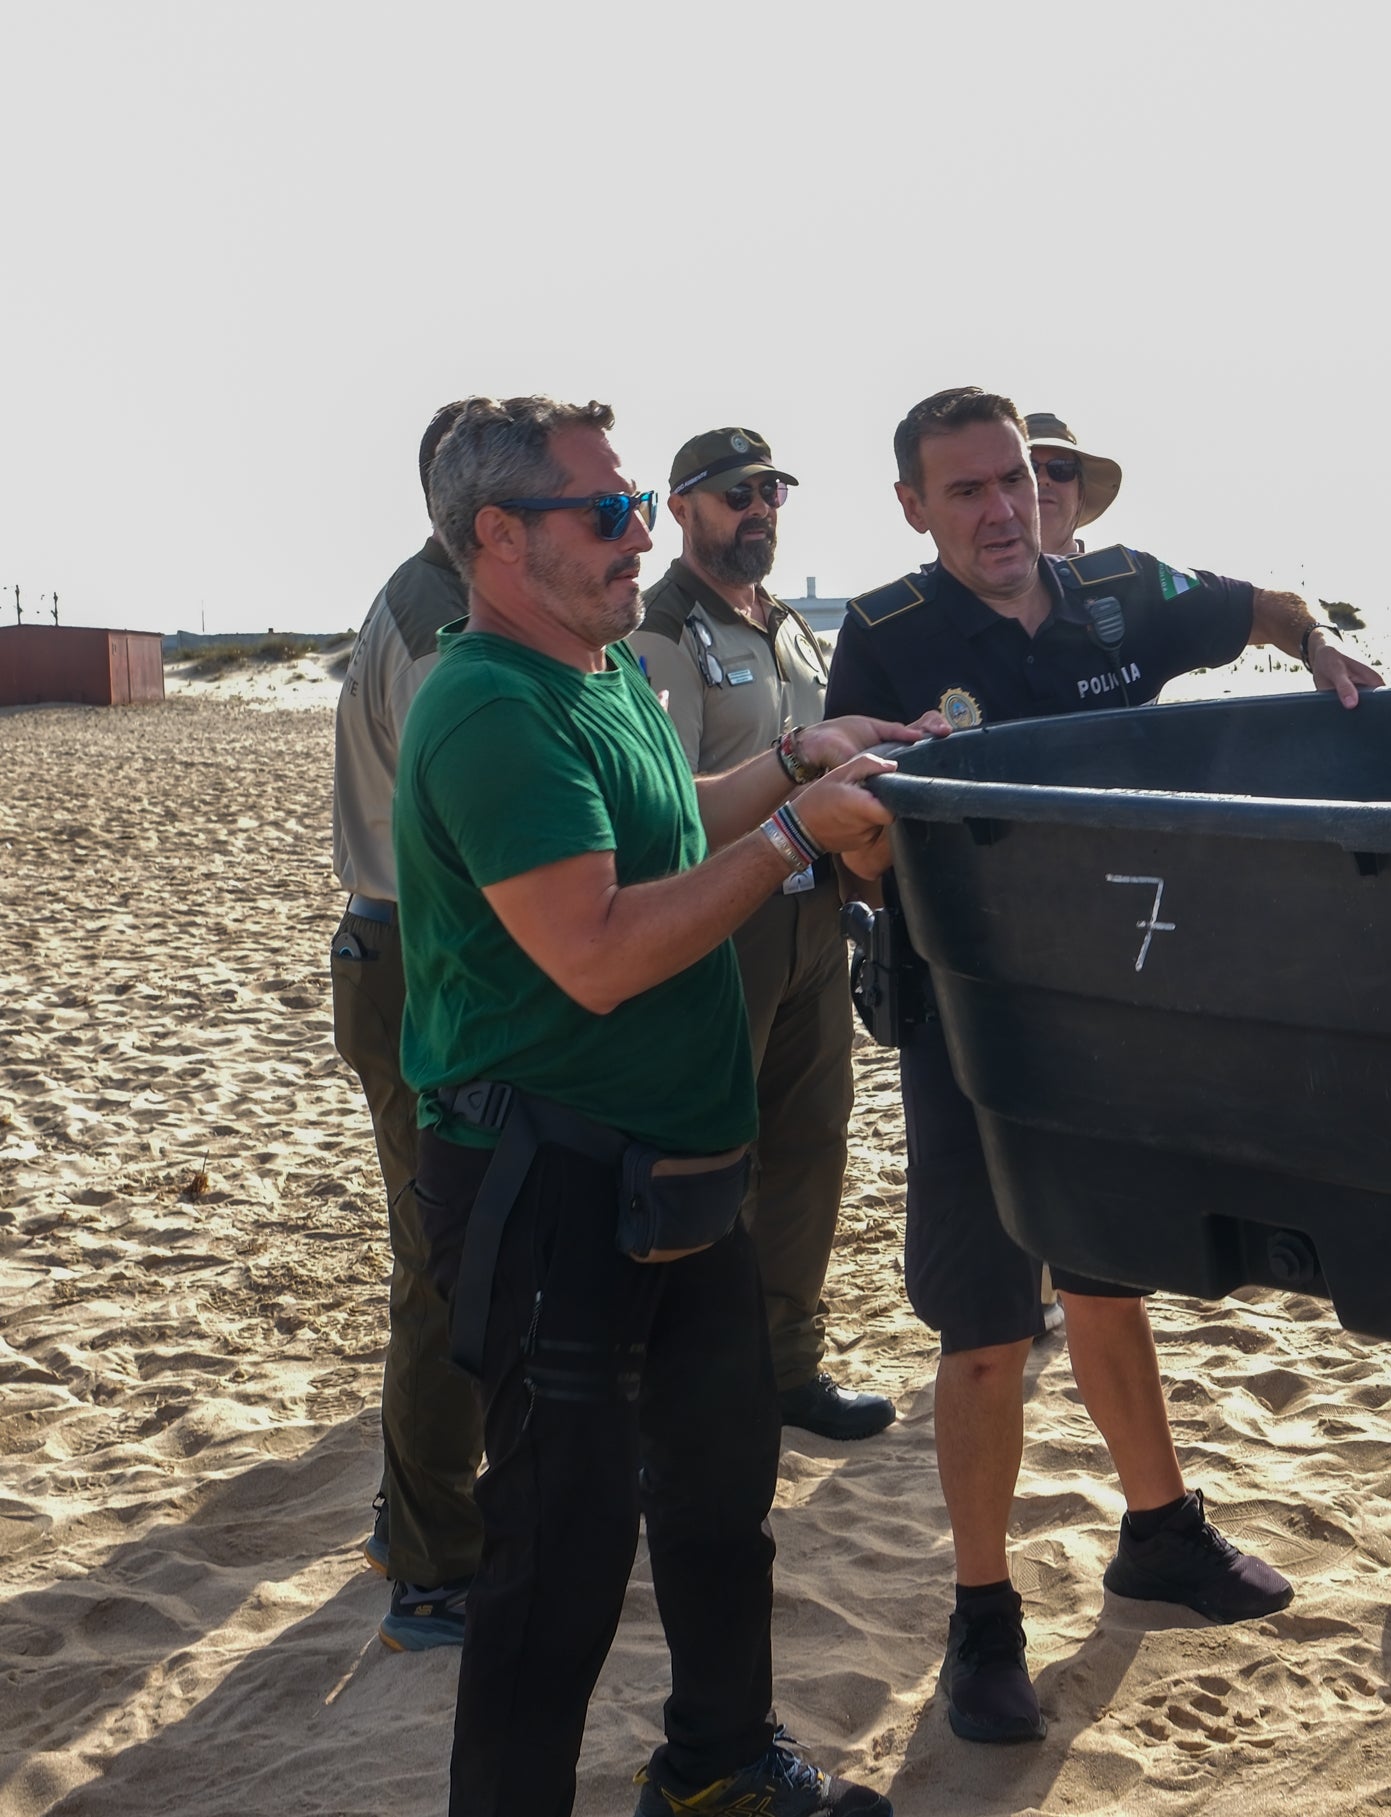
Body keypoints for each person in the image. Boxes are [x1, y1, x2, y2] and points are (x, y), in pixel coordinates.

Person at [823, 385, 1381, 1745]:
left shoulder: (1124, 596)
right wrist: (874, 835)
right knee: (985, 1327)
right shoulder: (886, 636)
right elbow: (850, 836)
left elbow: (1265, 606)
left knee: (1109, 1274)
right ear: (913, 507)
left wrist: (1324, 648)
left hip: (1111, 1013)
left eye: (1014, 479)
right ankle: (982, 1614)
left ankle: (1159, 1530)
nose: (1002, 510)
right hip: (969, 1023)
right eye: (965, 490)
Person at [400, 394, 930, 1817]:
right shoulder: (487, 704)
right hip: (549, 1185)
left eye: (635, 506)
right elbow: (596, 950)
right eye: (608, 511)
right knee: (557, 1554)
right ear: (498, 534)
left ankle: (717, 1768)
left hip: (680, 1174)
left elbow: (666, 816)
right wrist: (794, 834)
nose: (638, 534)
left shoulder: (596, 669)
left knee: (719, 1495)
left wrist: (799, 759)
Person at [625, 428, 894, 1442]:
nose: (759, 510)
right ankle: (699, 1376)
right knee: (711, 1159)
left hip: (814, 914)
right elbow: (671, 809)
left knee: (811, 1144)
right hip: (721, 919)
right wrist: (792, 773)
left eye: (772, 490)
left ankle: (787, 1365)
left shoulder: (785, 626)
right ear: (681, 508)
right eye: (736, 493)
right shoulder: (660, 631)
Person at [329, 396, 485, 1650]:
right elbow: (478, 821)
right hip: (420, 955)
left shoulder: (435, 597)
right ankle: (431, 1570)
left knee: (437, 1257)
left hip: (400, 947)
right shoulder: (442, 619)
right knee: (444, 1268)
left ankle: (409, 1517)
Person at [1022, 411, 1121, 558]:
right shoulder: (982, 573)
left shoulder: (1126, 571)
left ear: (1080, 493)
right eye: (1029, 468)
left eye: (1061, 468)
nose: (1042, 479)